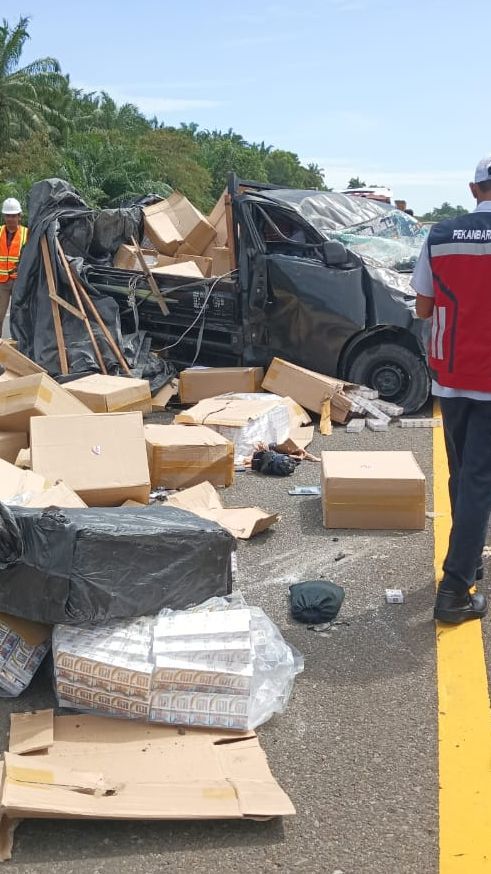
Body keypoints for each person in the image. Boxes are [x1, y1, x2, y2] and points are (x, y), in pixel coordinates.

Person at [411, 156, 491, 624]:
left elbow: (422, 308)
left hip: (453, 373)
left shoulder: (441, 235)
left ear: (473, 188)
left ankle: (469, 561)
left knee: (463, 475)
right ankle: (456, 589)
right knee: (479, 480)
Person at [0, 198, 28, 335]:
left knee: (20, 317)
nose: (10, 219)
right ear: (4, 216)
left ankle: (18, 346)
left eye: (13, 216)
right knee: (0, 315)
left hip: (19, 282)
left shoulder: (26, 234)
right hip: (2, 282)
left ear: (19, 216)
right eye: (8, 215)